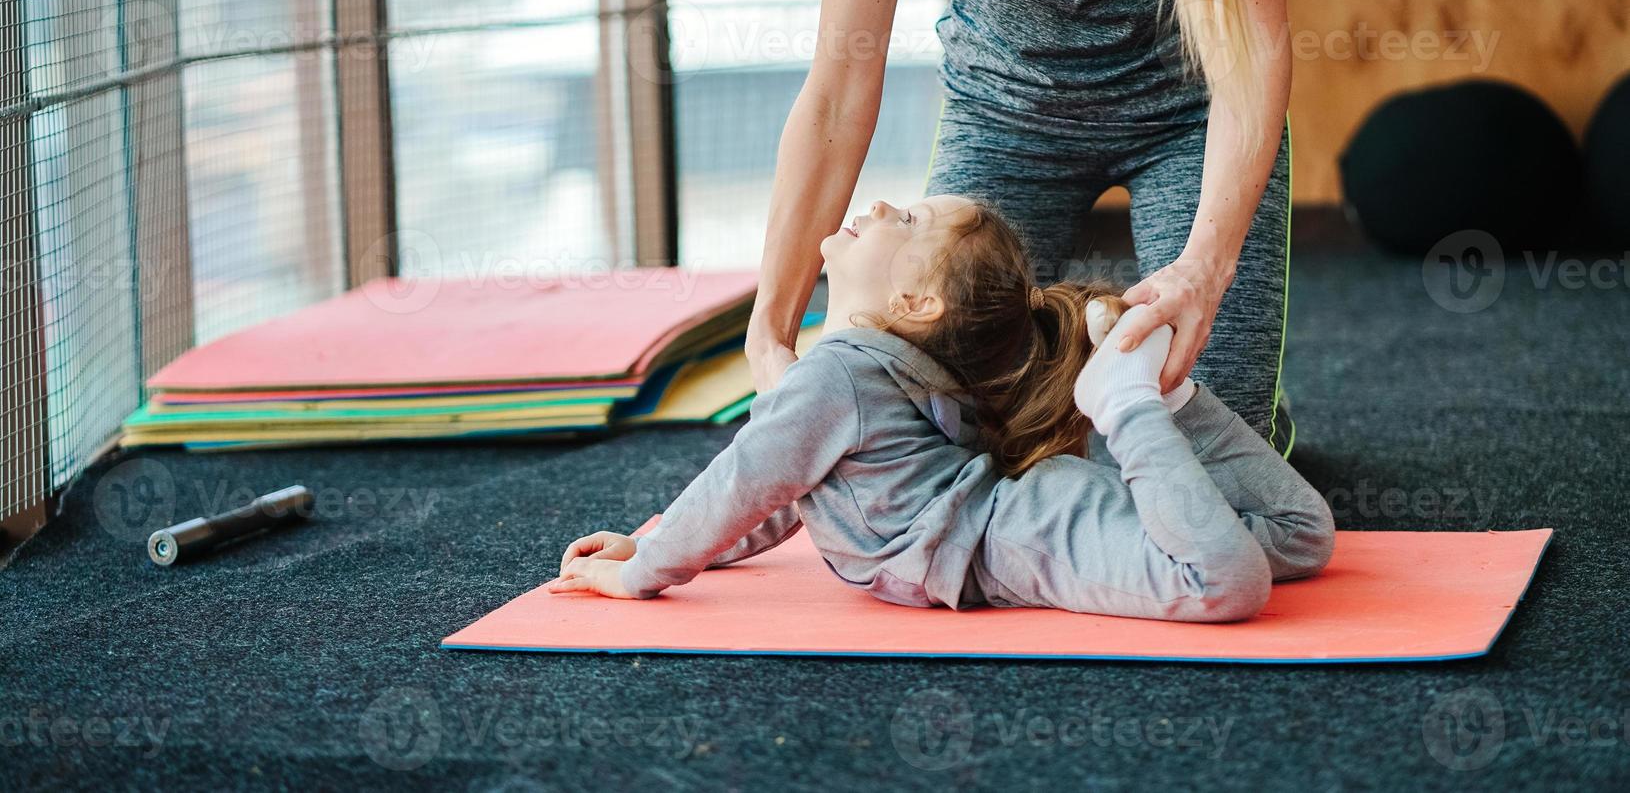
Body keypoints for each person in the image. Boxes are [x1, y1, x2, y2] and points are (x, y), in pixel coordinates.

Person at [745, 0, 1296, 454]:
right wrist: (769, 334)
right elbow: (838, 91)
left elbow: (1253, 45)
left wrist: (1204, 269)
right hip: (1003, 116)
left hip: (1188, 114)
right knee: (931, 440)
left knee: (1217, 459)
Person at [551, 197, 1332, 621]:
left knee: (1225, 584)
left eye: (913, 222)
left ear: (915, 300)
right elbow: (782, 491)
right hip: (1029, 516)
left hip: (1018, 539)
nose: (887, 205)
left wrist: (647, 574)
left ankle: (1127, 399)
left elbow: (742, 481)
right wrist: (666, 550)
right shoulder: (882, 373)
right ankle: (1163, 396)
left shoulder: (835, 377)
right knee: (1297, 536)